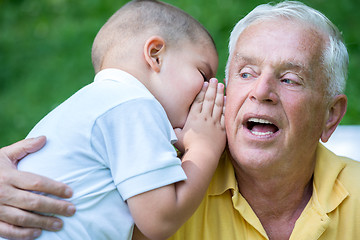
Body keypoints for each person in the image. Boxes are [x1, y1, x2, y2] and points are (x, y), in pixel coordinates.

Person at [1, 1, 360, 240]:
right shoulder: (164, 171)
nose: (261, 91)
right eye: (246, 73)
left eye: (290, 79)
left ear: (331, 116)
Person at [0, 0, 226, 239]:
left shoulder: (97, 104)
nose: (208, 89)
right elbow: (161, 219)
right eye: (203, 74)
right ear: (155, 55)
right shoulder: (134, 105)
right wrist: (204, 147)